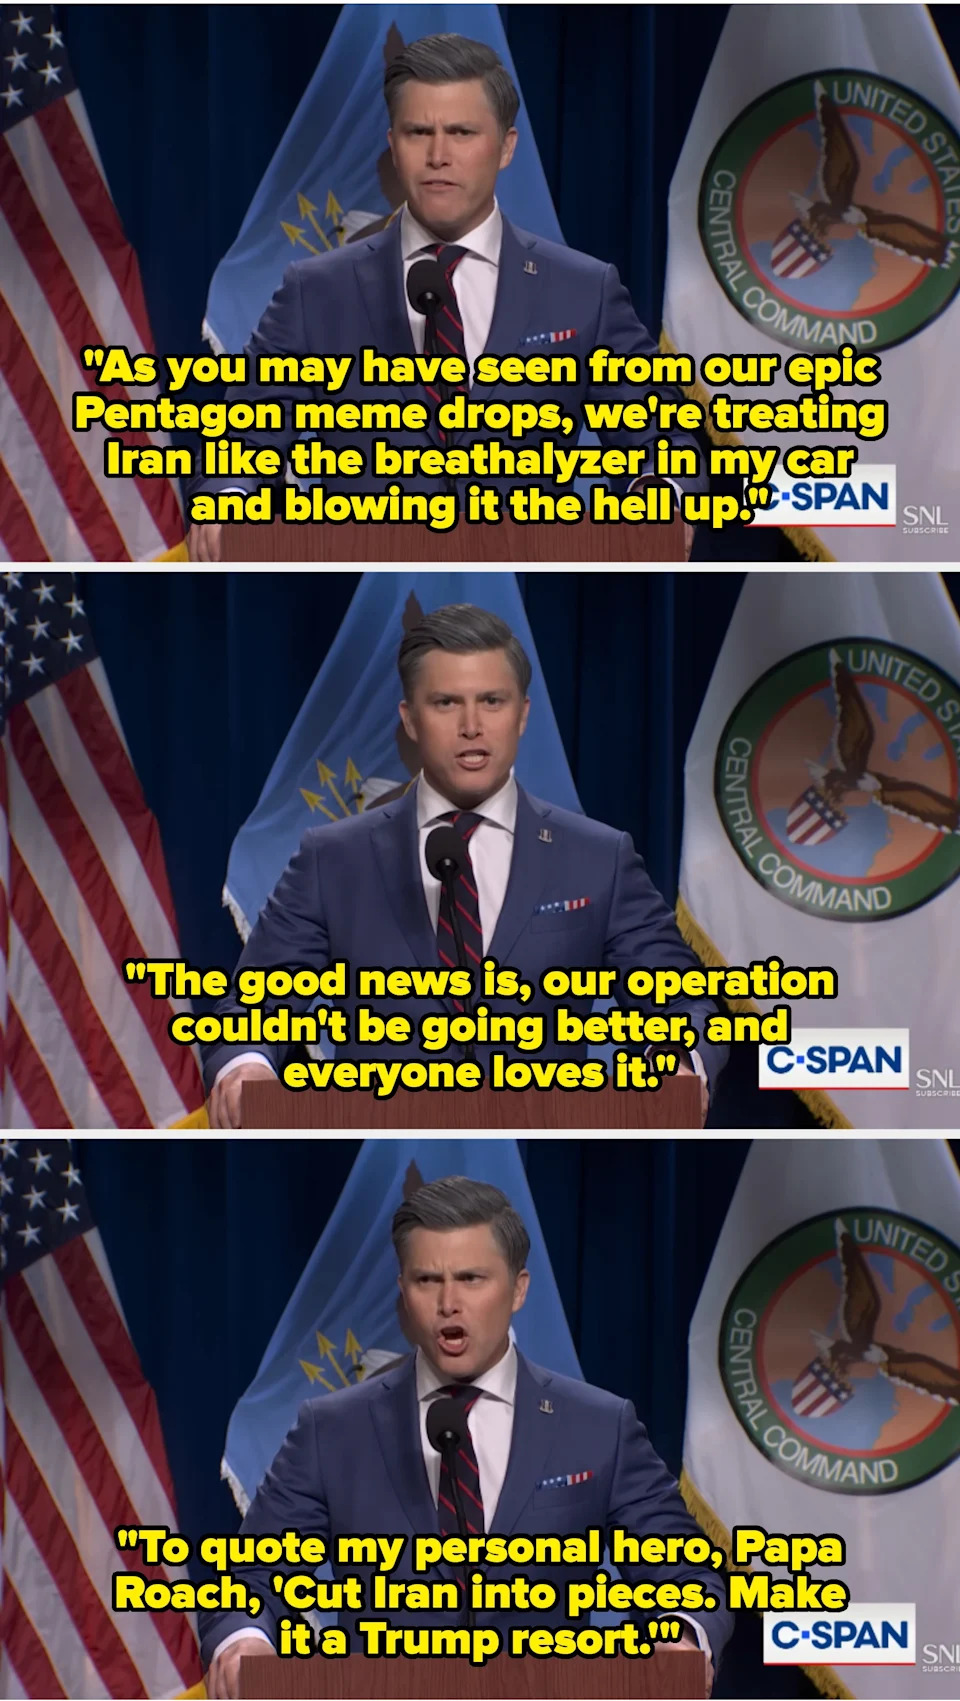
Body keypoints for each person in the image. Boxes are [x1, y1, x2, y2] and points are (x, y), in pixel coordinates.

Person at [202, 1176, 734, 1698]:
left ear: (519, 1289)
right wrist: (246, 1641)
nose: (448, 1302)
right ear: (402, 1292)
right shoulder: (332, 1429)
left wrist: (684, 1637)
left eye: (472, 1279)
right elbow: (249, 1581)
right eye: (427, 1280)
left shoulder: (598, 1426)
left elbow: (690, 1573)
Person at [187, 33, 704, 563]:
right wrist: (229, 497)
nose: (438, 156)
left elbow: (660, 435)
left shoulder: (583, 290)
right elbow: (244, 438)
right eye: (418, 132)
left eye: (461, 132)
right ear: (393, 144)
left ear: (506, 147)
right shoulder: (313, 291)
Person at [205, 603, 727, 1127]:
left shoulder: (598, 858)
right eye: (447, 702)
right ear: (410, 719)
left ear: (522, 715)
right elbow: (252, 1007)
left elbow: (682, 998)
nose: (472, 726)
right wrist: (248, 1065)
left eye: (492, 702)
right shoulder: (332, 857)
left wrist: (681, 1061)